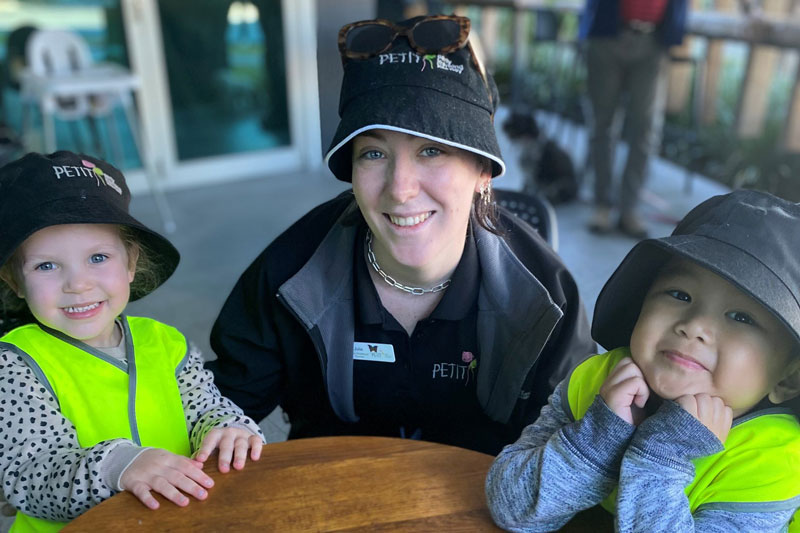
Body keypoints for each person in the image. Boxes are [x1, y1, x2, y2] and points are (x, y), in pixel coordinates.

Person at [207, 15, 595, 456]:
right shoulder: (291, 274)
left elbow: (574, 451)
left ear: (483, 171)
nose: (400, 188)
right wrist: (216, 427)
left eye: (431, 150)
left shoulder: (547, 298)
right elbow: (220, 403)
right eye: (374, 153)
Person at [485, 189, 800, 532]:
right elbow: (510, 507)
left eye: (741, 317)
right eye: (680, 294)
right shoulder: (597, 381)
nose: (694, 327)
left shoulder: (771, 461)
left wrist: (663, 460)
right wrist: (596, 439)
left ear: (788, 379)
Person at [0, 151, 266, 532]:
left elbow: (205, 410)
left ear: (130, 262)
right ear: (14, 282)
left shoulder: (166, 342)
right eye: (46, 265)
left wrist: (227, 427)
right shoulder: (17, 365)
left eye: (98, 257)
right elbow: (30, 479)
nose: (78, 283)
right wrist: (117, 465)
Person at [580, 0, 689, 239]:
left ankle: (629, 208)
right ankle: (602, 205)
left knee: (646, 129)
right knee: (602, 125)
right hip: (606, 34)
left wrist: (751, 10)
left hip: (654, 39)